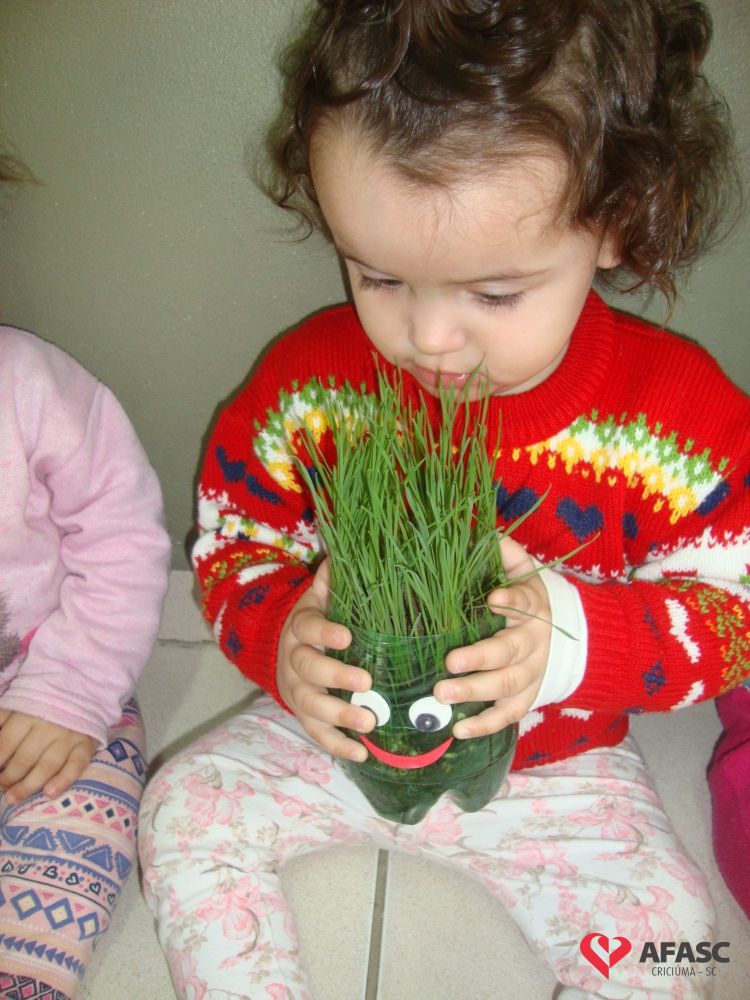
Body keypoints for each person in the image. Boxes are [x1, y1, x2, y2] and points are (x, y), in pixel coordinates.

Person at [139, 2, 749, 997]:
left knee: (671, 938)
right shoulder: (311, 385)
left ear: (617, 222)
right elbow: (234, 536)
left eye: (494, 294)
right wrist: (280, 633)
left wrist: (575, 642)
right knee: (181, 806)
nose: (428, 338)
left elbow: (737, 612)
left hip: (559, 769)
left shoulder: (679, 421)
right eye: (377, 276)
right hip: (338, 733)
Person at [0, 152, 171, 999]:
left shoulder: (27, 384)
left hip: (49, 686)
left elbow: (121, 538)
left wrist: (68, 692)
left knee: (85, 818)